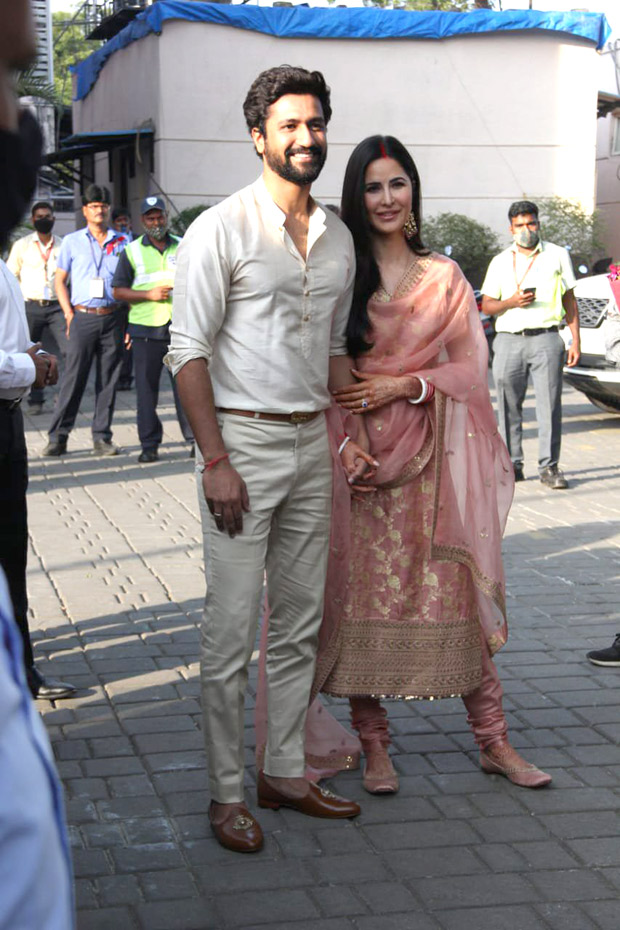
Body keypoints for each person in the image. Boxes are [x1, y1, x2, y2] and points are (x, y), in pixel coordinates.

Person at [168, 65, 375, 853]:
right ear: (258, 137)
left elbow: (329, 355)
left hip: (311, 445)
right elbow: (187, 354)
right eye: (289, 125)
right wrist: (214, 459)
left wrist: (360, 428)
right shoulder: (219, 229)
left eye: (315, 123)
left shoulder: (340, 240)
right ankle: (226, 794)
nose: (305, 137)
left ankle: (283, 770)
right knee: (228, 635)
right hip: (240, 444)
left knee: (297, 625)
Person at [308, 136, 551, 796]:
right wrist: (346, 444)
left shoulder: (444, 276)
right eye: (373, 187)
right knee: (358, 601)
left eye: (397, 184)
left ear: (413, 192)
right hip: (357, 465)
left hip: (429, 459)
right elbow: (324, 376)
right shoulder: (340, 275)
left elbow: (471, 367)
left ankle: (494, 742)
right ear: (356, 198)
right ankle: (375, 745)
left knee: (453, 598)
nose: (386, 199)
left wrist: (405, 385)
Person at [0, 257, 76, 700]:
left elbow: (11, 338)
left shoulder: (5, 264)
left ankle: (21, 671)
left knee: (12, 553)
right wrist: (28, 367)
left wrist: (35, 353)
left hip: (8, 422)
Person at [481, 201, 580, 489]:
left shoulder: (558, 255)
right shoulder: (500, 261)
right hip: (510, 340)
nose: (527, 230)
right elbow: (487, 305)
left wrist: (574, 339)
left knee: (549, 406)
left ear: (539, 223)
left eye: (531, 223)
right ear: (510, 229)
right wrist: (511, 302)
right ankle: (513, 464)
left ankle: (549, 467)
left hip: (547, 339)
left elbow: (569, 300)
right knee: (509, 404)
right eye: (520, 225)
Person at [43, 184, 130, 457]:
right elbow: (59, 281)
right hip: (82, 317)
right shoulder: (72, 241)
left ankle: (102, 436)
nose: (99, 210)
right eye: (93, 206)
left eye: (103, 206)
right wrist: (68, 313)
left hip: (114, 317)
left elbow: (131, 282)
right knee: (73, 378)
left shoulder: (123, 241)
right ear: (85, 210)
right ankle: (58, 437)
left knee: (108, 380)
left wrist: (129, 322)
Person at [112, 196, 193, 462]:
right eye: (150, 218)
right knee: (147, 393)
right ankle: (149, 445)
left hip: (180, 329)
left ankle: (194, 440)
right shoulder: (131, 251)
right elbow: (118, 291)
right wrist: (149, 295)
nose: (156, 222)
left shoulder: (184, 245)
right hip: (145, 331)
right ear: (142, 221)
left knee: (187, 389)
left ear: (166, 217)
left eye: (159, 217)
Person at [7, 201, 64, 414]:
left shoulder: (62, 244)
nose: (44, 219)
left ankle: (64, 396)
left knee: (70, 351)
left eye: (47, 216)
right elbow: (11, 275)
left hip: (57, 307)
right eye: (40, 216)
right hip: (30, 306)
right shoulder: (22, 245)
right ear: (33, 220)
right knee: (30, 353)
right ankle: (36, 400)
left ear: (53, 219)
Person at [111, 207, 134, 390]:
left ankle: (126, 377)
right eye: (119, 220)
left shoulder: (138, 241)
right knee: (118, 341)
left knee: (130, 342)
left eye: (125, 220)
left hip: (135, 300)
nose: (123, 223)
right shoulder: (112, 243)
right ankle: (116, 376)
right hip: (118, 300)